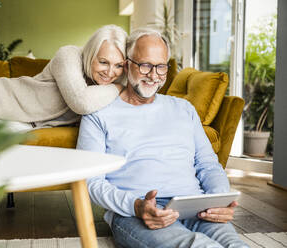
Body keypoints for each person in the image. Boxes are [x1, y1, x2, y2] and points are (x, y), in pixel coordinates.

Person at [76, 27, 249, 248]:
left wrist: (219, 199)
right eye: (145, 65)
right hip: (136, 213)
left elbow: (208, 164)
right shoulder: (98, 113)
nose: (154, 75)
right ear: (128, 64)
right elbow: (90, 182)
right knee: (198, 246)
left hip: (196, 205)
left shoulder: (184, 109)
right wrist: (136, 206)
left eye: (161, 67)